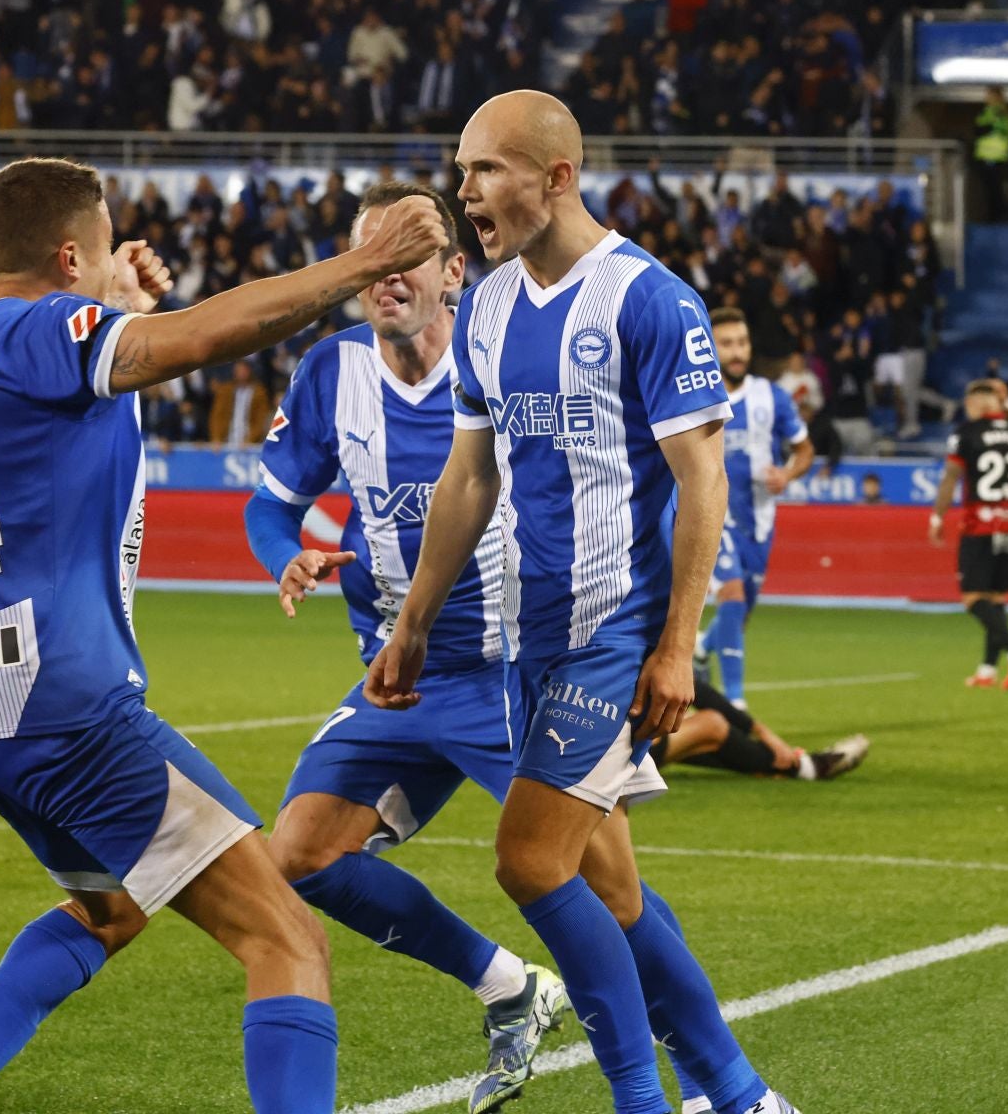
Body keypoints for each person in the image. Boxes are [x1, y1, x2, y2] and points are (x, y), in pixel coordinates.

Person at [0, 157, 446, 1114]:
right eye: (99, 250)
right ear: (66, 254)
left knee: (111, 907)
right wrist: (360, 262)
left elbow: (52, 442)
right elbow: (207, 336)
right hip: (66, 703)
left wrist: (114, 301)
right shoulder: (48, 327)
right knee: (286, 940)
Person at [364, 91, 798, 1114]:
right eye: (461, 168)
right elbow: (470, 476)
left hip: (613, 626)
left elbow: (704, 482)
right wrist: (415, 621)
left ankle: (647, 1100)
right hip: (529, 632)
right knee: (611, 889)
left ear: (557, 176)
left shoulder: (650, 299)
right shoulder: (488, 304)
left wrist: (677, 643)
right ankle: (740, 1095)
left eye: (487, 169)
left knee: (527, 859)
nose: (464, 189)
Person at [241, 181, 568, 1114]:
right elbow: (272, 504)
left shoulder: (499, 362)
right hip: (396, 682)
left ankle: (717, 1085)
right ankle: (511, 987)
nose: (386, 275)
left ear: (453, 271)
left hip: (512, 675)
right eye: (370, 258)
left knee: (589, 875)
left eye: (405, 254)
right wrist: (289, 554)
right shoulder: (329, 372)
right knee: (295, 857)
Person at [696, 306, 812, 709]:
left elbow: (804, 448)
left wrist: (789, 474)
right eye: (726, 344)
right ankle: (735, 704)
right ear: (710, 347)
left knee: (738, 617)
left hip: (759, 521)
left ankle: (699, 648)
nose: (737, 352)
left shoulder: (771, 396)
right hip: (713, 514)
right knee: (731, 596)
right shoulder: (694, 393)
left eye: (741, 342)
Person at [930, 380, 1008, 689]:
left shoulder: (967, 432)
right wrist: (1004, 401)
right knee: (997, 600)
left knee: (974, 599)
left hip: (980, 524)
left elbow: (951, 477)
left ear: (979, 405)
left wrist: (937, 516)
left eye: (970, 403)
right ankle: (988, 671)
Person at [653, 666, 870, 781]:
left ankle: (776, 766)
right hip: (623, 751)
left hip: (623, 738)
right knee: (711, 725)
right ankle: (802, 767)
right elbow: (690, 686)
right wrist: (762, 732)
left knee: (678, 723)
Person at [972, 86, 1008, 220]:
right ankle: (991, 216)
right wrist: (988, 127)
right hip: (984, 157)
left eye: (989, 95)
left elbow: (1005, 132)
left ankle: (999, 217)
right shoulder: (984, 112)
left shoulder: (1002, 113)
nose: (987, 98)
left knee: (997, 190)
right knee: (987, 190)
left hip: (998, 158)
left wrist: (989, 127)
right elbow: (978, 130)